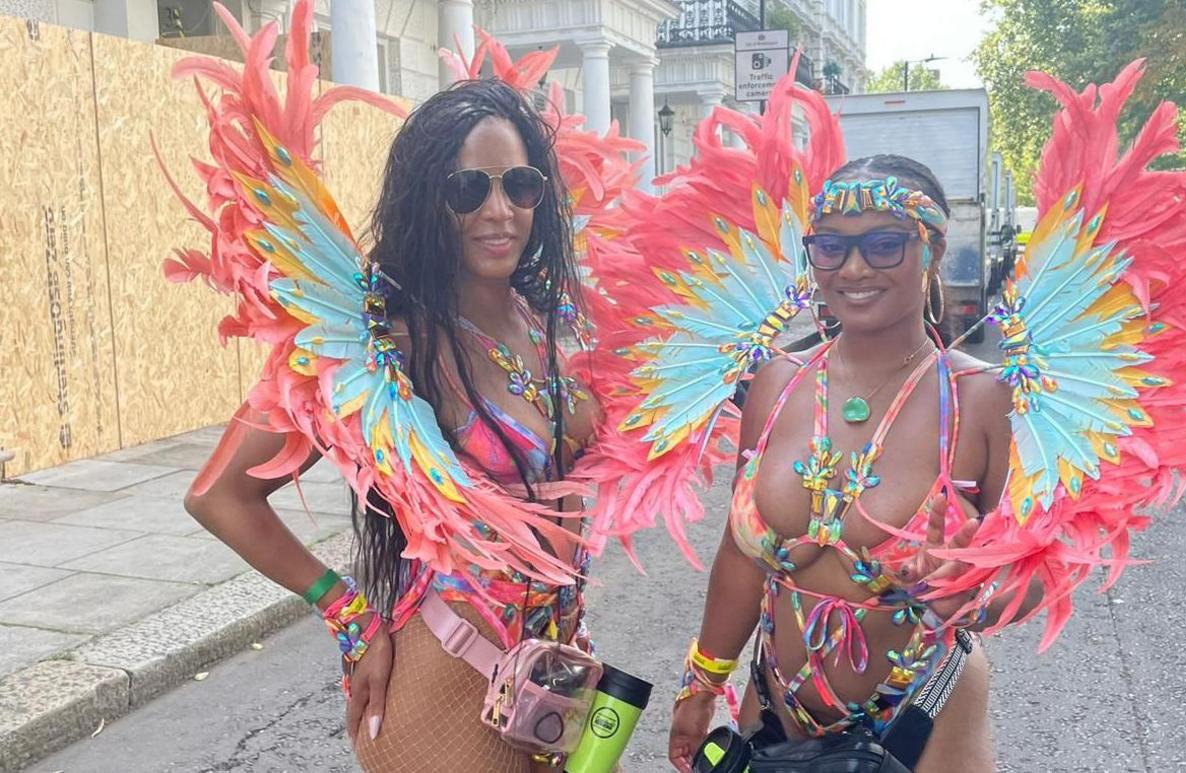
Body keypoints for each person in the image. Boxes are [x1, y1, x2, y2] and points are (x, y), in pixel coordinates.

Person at [181, 51, 601, 773]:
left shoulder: (551, 321)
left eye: (521, 185)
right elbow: (220, 494)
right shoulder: (382, 343)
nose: (499, 211)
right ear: (427, 199)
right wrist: (349, 617)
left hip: (558, 671)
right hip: (447, 675)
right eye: (469, 189)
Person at [668, 155, 1045, 772]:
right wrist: (703, 682)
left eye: (884, 244)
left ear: (933, 250)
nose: (855, 268)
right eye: (831, 248)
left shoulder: (981, 401)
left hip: (923, 722)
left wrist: (978, 589)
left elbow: (1035, 572)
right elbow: (740, 555)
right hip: (773, 716)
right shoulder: (778, 383)